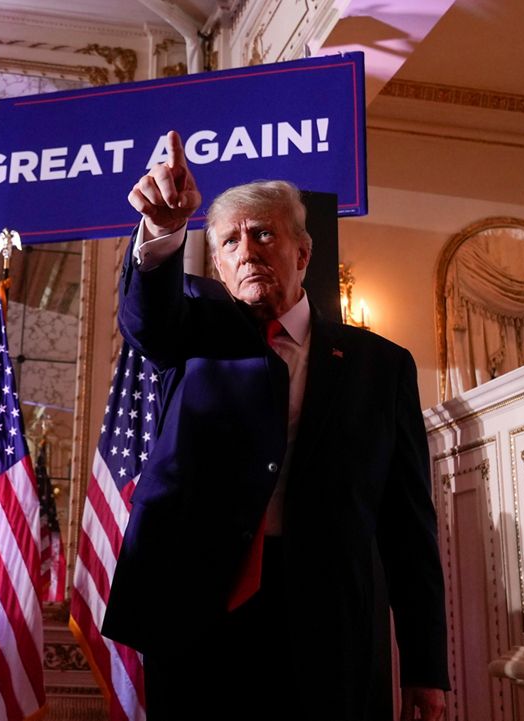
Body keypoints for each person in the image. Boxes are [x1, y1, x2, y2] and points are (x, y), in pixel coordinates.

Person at [102, 131, 449, 720]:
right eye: (231, 241)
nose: (247, 251)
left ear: (303, 253)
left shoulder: (380, 366)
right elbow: (147, 320)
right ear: (216, 262)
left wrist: (424, 666)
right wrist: (161, 233)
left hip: (329, 621)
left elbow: (406, 523)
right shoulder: (193, 325)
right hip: (201, 612)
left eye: (264, 233)